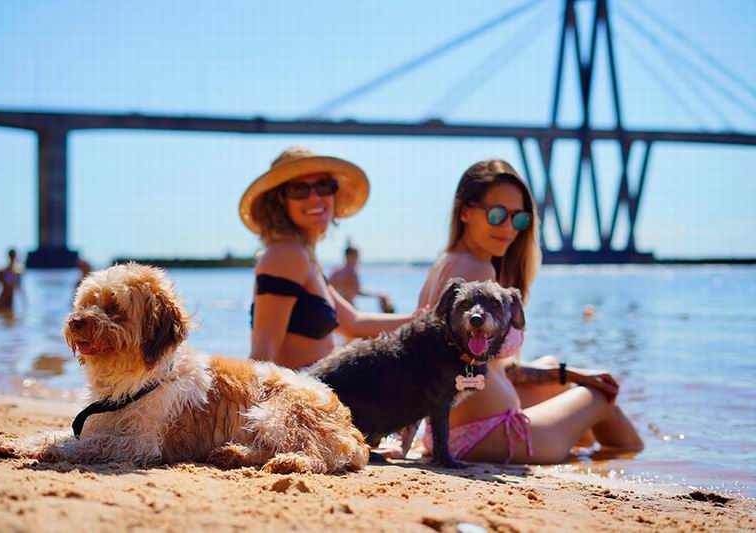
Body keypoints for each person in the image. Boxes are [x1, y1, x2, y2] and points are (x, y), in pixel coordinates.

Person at [414, 159, 643, 464]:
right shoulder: (478, 269)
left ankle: (587, 456)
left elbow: (474, 365)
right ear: (465, 211)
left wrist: (565, 373)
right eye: (496, 215)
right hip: (488, 434)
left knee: (557, 376)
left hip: (447, 432)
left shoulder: (447, 263)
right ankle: (634, 465)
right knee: (602, 399)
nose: (509, 228)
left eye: (518, 219)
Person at [240, 146, 415, 370]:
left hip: (320, 391)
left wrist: (426, 318)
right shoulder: (285, 255)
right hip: (298, 398)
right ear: (280, 201)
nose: (314, 197)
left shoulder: (304, 256)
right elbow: (263, 354)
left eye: (323, 186)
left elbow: (353, 323)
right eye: (299, 189)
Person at [329, 243, 395, 313]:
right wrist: (378, 295)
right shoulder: (351, 272)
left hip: (335, 309)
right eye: (357, 256)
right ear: (350, 256)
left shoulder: (335, 273)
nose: (358, 259)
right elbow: (358, 291)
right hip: (348, 310)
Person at [0, 248, 25, 312]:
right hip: (3, 298)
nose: (12, 257)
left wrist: (24, 302)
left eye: (13, 255)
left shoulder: (17, 272)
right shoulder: (2, 271)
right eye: (12, 255)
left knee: (8, 316)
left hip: (11, 299)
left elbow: (20, 287)